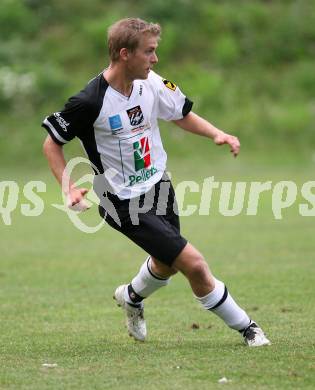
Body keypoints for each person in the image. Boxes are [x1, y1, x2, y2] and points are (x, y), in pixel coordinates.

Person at [42, 17, 270, 347]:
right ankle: (248, 328)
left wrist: (216, 133)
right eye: (149, 52)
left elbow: (180, 113)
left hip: (159, 187)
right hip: (120, 201)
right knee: (195, 265)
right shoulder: (90, 101)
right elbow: (52, 142)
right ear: (124, 54)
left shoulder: (150, 82)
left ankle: (131, 297)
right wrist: (67, 187)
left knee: (166, 264)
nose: (155, 59)